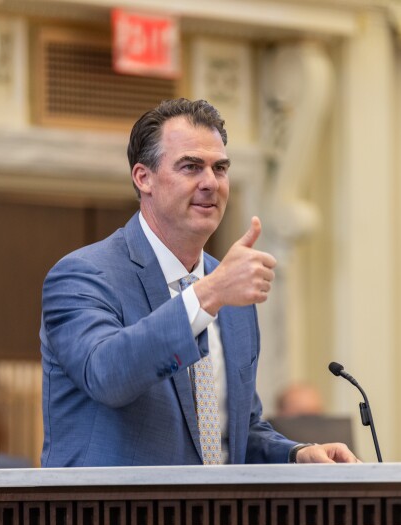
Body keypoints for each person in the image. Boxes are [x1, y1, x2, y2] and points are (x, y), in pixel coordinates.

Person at [39, 98, 359, 467]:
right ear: (143, 178)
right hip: (113, 506)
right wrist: (208, 294)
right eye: (191, 167)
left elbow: (235, 432)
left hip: (217, 507)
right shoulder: (82, 275)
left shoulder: (228, 292)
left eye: (220, 168)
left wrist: (295, 454)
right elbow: (108, 375)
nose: (210, 183)